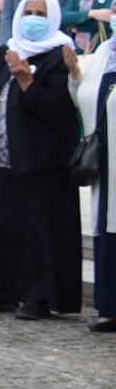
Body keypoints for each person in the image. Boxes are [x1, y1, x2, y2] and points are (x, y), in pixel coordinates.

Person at [0, 0, 83, 321]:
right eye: (28, 11)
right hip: (2, 155)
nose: (32, 18)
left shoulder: (59, 56)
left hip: (40, 160)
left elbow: (58, 111)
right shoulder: (9, 50)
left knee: (36, 232)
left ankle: (36, 297)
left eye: (40, 13)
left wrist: (27, 79)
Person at [70, 42, 116, 334]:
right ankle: (109, 309)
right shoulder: (104, 54)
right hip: (107, 158)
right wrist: (75, 73)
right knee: (107, 230)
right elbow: (83, 97)